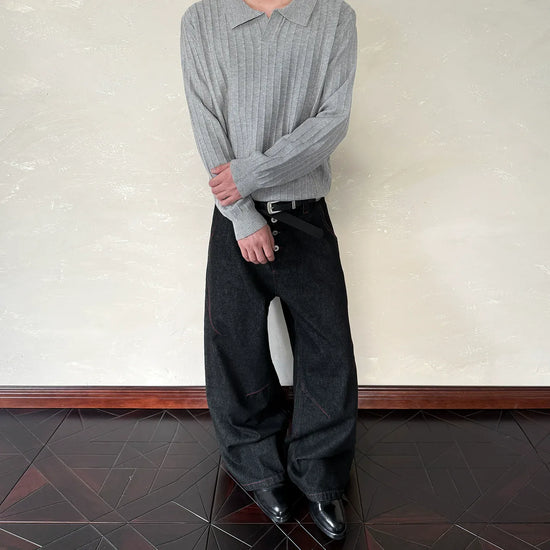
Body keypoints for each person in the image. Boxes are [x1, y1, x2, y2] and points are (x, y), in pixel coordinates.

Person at [180, 0, 358, 540]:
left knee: (327, 348)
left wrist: (251, 174)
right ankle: (256, 466)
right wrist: (241, 213)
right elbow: (205, 120)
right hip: (234, 219)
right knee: (235, 348)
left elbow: (333, 120)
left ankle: (320, 472)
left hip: (306, 215)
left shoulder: (333, 15)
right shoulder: (203, 19)